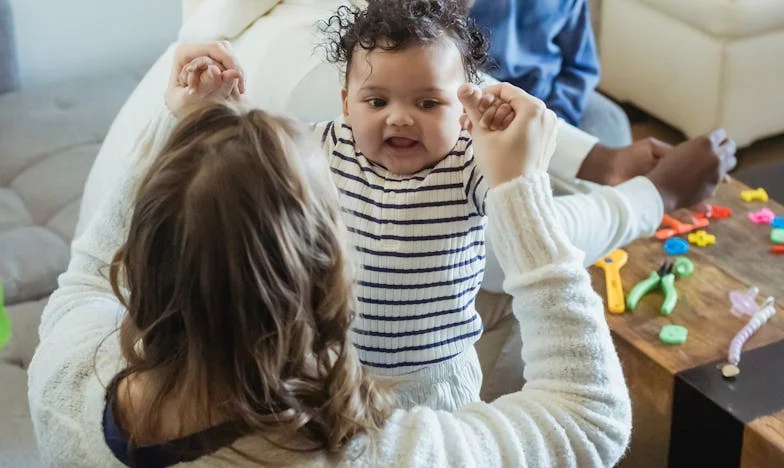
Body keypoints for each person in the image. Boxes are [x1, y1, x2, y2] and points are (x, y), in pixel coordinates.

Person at [28, 38, 659, 467]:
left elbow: (85, 277)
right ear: (327, 281)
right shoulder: (368, 453)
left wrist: (190, 133)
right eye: (333, 201)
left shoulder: (65, 374)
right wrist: (522, 194)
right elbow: (590, 419)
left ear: (144, 264)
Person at [469, 0, 633, 148]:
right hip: (480, 97)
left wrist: (556, 118)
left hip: (547, 97)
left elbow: (580, 68)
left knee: (613, 123)